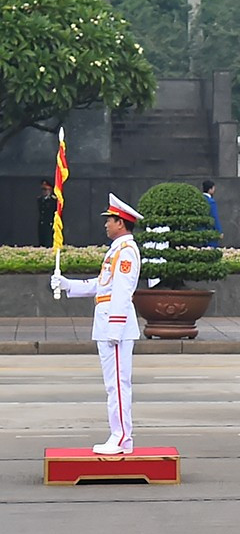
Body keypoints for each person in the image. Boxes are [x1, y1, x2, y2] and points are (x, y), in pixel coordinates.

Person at [51, 194, 143, 453]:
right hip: (107, 323)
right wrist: (69, 284)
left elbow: (123, 292)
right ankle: (120, 435)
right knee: (112, 384)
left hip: (116, 326)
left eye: (109, 220)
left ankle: (122, 436)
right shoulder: (116, 251)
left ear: (121, 223)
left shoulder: (126, 252)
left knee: (118, 384)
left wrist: (115, 327)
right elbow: (101, 286)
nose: (105, 224)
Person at [37, 179, 58, 247]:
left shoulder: (53, 201)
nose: (44, 192)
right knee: (41, 242)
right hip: (42, 224)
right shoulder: (40, 199)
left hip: (50, 224)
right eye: (42, 189)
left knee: (48, 243)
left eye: (45, 189)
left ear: (50, 190)